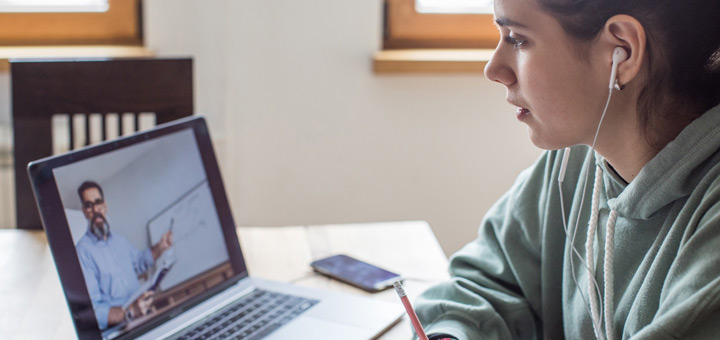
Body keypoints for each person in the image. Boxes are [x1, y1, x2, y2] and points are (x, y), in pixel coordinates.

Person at [414, 0, 720, 339]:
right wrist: (452, 334)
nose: (494, 68)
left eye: (517, 38)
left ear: (622, 51)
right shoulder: (577, 157)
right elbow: (487, 284)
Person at [75, 181, 173, 330]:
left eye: (98, 202)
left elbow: (140, 262)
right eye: (89, 205)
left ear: (105, 205)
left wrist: (161, 247)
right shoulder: (82, 251)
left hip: (144, 315)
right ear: (84, 211)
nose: (95, 209)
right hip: (120, 329)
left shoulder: (120, 240)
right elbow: (92, 311)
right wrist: (129, 312)